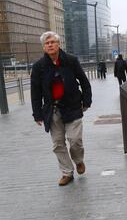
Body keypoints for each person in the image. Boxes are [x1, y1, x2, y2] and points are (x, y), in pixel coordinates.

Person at [31, 32, 92, 186]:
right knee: (58, 143)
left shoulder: (71, 61)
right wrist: (37, 113)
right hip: (53, 110)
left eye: (52, 42)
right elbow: (35, 91)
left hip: (72, 106)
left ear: (58, 44)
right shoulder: (39, 67)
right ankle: (67, 172)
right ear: (44, 47)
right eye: (46, 43)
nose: (50, 45)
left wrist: (86, 101)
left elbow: (84, 81)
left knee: (75, 140)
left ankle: (78, 160)